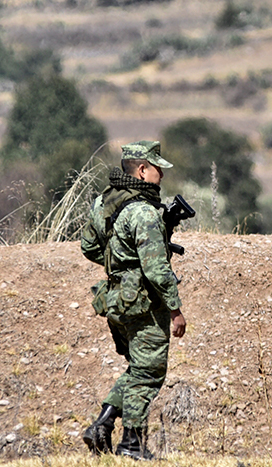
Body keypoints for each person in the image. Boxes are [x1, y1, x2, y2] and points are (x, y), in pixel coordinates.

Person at [79, 140, 187, 460]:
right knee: (148, 373)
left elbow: (89, 246)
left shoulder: (105, 202)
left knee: (138, 368)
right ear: (142, 170)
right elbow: (156, 269)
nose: (161, 177)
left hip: (116, 299)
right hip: (143, 303)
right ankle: (132, 444)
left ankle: (102, 424)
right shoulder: (143, 212)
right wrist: (175, 310)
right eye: (157, 170)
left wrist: (121, 266)